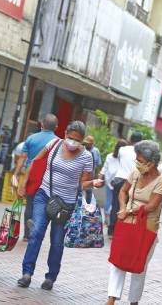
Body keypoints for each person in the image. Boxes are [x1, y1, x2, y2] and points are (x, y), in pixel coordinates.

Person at [18, 121, 103, 291]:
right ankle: (26, 273)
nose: (72, 142)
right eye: (70, 138)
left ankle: (50, 277)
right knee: (36, 233)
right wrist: (23, 182)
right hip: (44, 195)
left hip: (66, 204)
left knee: (57, 242)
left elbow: (83, 183)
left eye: (77, 140)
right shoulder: (54, 144)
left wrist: (93, 182)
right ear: (64, 133)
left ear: (83, 140)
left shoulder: (86, 156)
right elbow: (36, 161)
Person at [107, 140, 162, 305]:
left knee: (139, 265)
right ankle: (111, 298)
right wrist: (122, 207)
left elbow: (152, 206)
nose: (137, 163)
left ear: (152, 163)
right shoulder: (135, 173)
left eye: (140, 161)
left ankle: (134, 301)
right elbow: (123, 191)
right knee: (118, 260)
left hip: (147, 227)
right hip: (127, 223)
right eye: (137, 160)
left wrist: (130, 211)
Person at [16, 114, 59, 241]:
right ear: (56, 127)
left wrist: (16, 173)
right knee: (43, 204)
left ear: (41, 124)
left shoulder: (31, 138)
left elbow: (22, 157)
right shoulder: (57, 142)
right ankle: (37, 231)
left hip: (32, 174)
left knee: (30, 204)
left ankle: (27, 235)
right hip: (48, 176)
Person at [108, 131, 144, 236]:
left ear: (130, 139)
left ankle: (111, 230)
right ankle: (121, 229)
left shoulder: (122, 149)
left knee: (115, 204)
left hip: (119, 179)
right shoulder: (140, 153)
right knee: (128, 206)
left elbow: (120, 161)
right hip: (131, 181)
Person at [99, 139, 128, 224]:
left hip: (119, 184)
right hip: (110, 182)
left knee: (114, 203)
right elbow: (105, 168)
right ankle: (108, 217)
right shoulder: (110, 157)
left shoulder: (124, 158)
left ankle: (110, 219)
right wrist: (100, 178)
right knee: (109, 202)